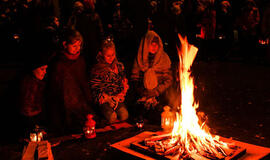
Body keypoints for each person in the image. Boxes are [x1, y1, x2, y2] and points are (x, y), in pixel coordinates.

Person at [47, 29, 94, 136]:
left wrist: (88, 97)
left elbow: (82, 80)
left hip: (79, 99)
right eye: (74, 46)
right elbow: (54, 86)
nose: (77, 49)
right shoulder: (58, 62)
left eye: (79, 46)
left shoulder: (80, 60)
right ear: (65, 44)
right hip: (62, 101)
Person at [130, 30, 173, 124]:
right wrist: (142, 92)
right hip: (143, 94)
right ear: (146, 45)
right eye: (151, 44)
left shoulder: (164, 58)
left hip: (158, 94)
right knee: (138, 112)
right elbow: (134, 78)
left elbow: (168, 80)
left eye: (156, 45)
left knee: (159, 115)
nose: (154, 47)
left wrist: (156, 91)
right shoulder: (139, 58)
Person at [89, 37, 129, 124]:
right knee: (112, 117)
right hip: (104, 100)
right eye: (108, 56)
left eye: (113, 55)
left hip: (117, 98)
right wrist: (106, 98)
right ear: (102, 54)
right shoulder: (98, 69)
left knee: (124, 115)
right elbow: (95, 87)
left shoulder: (119, 67)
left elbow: (123, 82)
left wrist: (119, 96)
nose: (111, 58)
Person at [19, 57, 49, 137]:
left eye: (46, 69)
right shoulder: (27, 86)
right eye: (42, 69)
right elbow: (27, 110)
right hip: (26, 127)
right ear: (33, 69)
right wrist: (36, 127)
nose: (45, 72)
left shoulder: (40, 84)